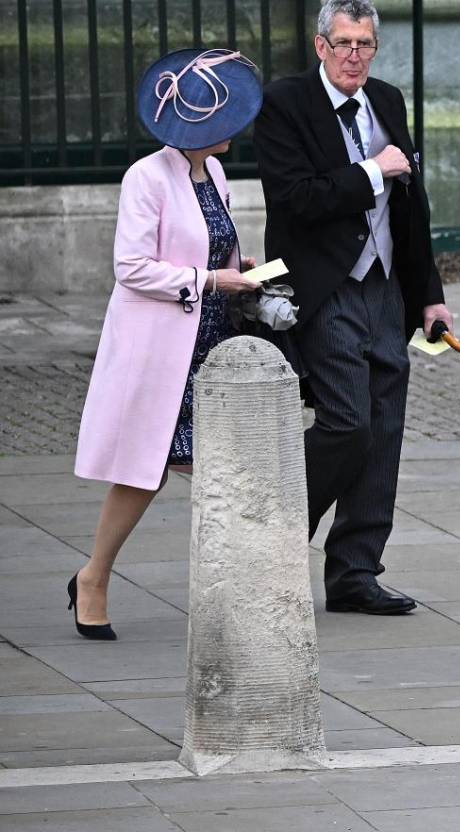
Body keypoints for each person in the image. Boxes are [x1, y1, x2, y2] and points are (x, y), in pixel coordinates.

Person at [252, 0, 450, 616]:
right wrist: (370, 170)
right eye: (344, 44)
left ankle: (355, 572)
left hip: (386, 289)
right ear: (320, 46)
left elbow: (411, 208)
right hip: (323, 287)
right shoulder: (287, 104)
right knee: (348, 422)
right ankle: (269, 541)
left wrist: (431, 297)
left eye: (365, 45)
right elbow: (295, 198)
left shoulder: (386, 100)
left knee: (384, 429)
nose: (355, 56)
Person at [71, 48, 265, 639]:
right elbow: (130, 267)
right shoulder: (145, 176)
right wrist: (208, 279)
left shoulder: (216, 172)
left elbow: (210, 244)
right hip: (161, 348)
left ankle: (237, 594)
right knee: (145, 471)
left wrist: (238, 269)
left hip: (212, 341)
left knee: (222, 468)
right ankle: (93, 577)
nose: (236, 129)